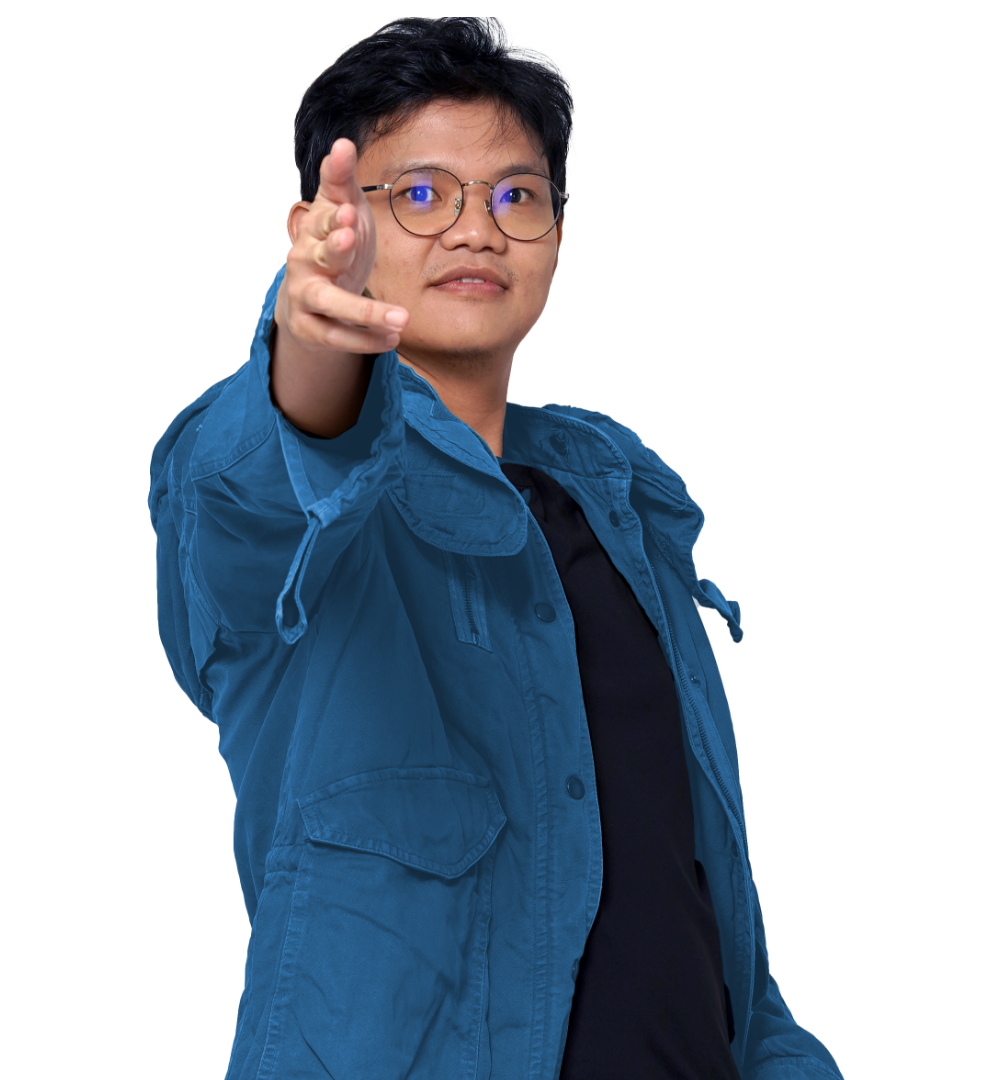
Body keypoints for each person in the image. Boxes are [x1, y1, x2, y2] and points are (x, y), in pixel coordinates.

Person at [149, 17, 843, 1080]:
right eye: (422, 194)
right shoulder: (289, 493)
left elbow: (710, 908)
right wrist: (311, 349)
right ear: (324, 225)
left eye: (516, 196)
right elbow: (260, 488)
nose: (476, 230)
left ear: (558, 234)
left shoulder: (617, 503)